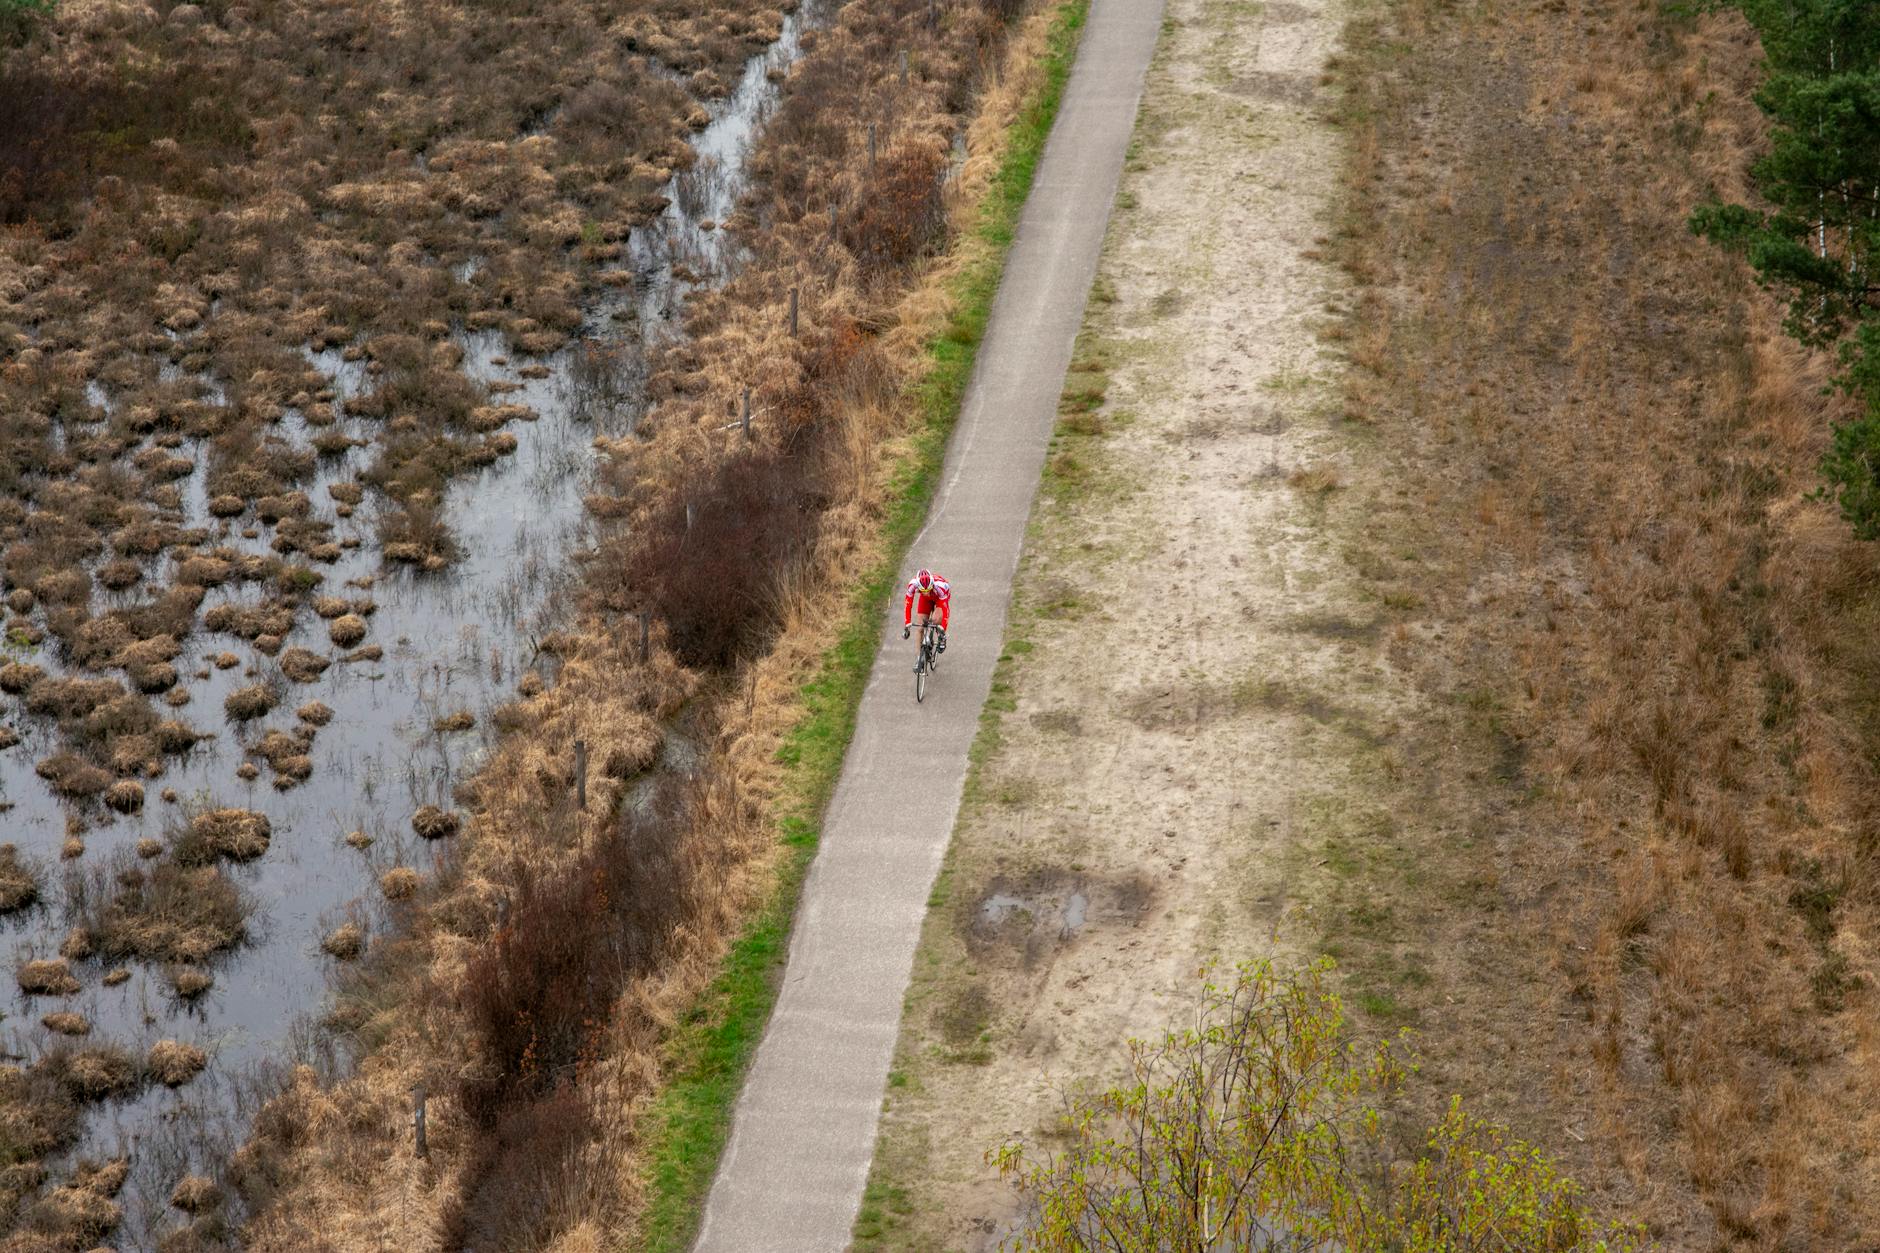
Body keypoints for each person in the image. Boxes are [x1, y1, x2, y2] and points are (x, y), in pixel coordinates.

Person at [902, 568, 951, 660]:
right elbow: (908, 605)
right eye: (923, 591)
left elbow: (946, 611)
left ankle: (941, 637)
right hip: (925, 600)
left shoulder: (940, 586)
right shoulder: (912, 585)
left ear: (932, 584)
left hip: (939, 598)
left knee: (936, 619)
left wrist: (943, 629)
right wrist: (907, 623)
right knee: (920, 627)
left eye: (928, 590)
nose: (927, 592)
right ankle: (919, 659)